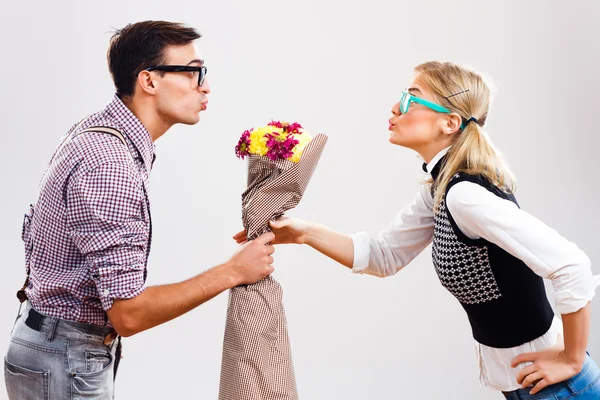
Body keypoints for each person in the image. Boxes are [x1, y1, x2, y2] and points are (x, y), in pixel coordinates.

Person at [235, 61, 600, 398]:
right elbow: (383, 256)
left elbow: (572, 266)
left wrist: (571, 357)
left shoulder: (465, 196)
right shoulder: (440, 190)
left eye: (411, 99)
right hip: (524, 388)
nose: (395, 108)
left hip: (561, 389)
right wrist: (302, 232)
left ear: (450, 122)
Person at [5, 20, 275, 399]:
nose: (206, 86)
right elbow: (128, 314)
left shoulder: (99, 134)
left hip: (51, 345)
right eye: (193, 72)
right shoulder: (110, 164)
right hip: (64, 358)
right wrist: (233, 271)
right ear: (148, 81)